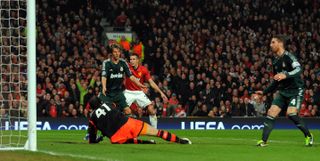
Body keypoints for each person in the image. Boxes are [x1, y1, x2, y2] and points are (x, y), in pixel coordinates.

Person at [255, 35, 313, 147]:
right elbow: (276, 81)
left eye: (273, 42)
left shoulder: (289, 57)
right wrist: (264, 92)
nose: (270, 45)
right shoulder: (275, 62)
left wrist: (285, 75)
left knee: (291, 114)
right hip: (283, 92)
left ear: (280, 43)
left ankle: (308, 135)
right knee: (271, 113)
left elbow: (298, 69)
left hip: (296, 91)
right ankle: (263, 141)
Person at [87, 96, 191, 144]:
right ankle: (180, 140)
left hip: (117, 137)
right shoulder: (109, 104)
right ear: (100, 102)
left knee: (129, 141)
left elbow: (92, 139)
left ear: (92, 107)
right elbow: (115, 110)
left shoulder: (92, 118)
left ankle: (148, 142)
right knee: (157, 132)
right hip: (129, 123)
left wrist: (97, 139)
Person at [99, 44, 146, 115]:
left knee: (128, 111)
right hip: (107, 93)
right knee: (107, 113)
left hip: (118, 93)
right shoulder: (106, 63)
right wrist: (104, 87)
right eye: (115, 52)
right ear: (111, 53)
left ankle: (122, 124)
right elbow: (104, 76)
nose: (117, 53)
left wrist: (140, 84)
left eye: (118, 52)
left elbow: (131, 76)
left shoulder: (123, 63)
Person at [124, 53, 168, 128]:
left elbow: (151, 82)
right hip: (128, 92)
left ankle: (155, 131)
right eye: (130, 59)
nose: (131, 61)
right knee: (124, 111)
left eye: (134, 59)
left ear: (138, 60)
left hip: (139, 93)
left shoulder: (143, 69)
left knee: (151, 109)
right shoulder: (127, 67)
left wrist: (161, 93)